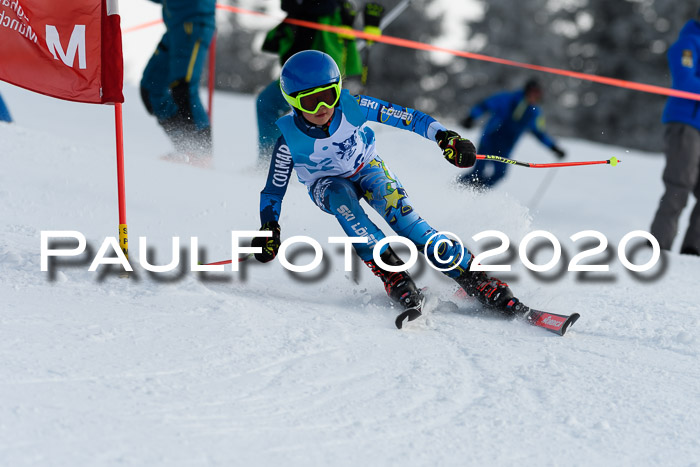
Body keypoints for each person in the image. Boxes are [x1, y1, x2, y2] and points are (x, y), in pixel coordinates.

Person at [251, 50, 529, 319]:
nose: (323, 108)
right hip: (327, 184)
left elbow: (409, 118)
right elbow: (273, 191)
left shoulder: (353, 107)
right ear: (293, 102)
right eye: (311, 102)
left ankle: (474, 277)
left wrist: (446, 138)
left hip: (366, 168)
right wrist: (269, 228)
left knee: (409, 227)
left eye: (328, 96)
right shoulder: (288, 141)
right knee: (342, 199)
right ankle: (392, 273)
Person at [256, 0, 383, 164]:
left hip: (321, 75)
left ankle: (327, 166)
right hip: (301, 72)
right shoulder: (298, 12)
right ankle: (270, 163)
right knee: (268, 104)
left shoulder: (330, 14)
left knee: (319, 118)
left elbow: (338, 51)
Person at [650, 10, 700, 257]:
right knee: (679, 184)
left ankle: (694, 248)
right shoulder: (688, 44)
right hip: (686, 124)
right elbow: (684, 81)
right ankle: (659, 245)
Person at [140, 0, 216, 162]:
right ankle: (186, 148)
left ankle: (201, 155)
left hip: (194, 22)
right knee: (151, 89)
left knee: (183, 87)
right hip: (175, 28)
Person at [459, 79, 566, 188]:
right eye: (533, 93)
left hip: (505, 148)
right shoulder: (508, 99)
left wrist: (554, 147)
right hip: (490, 139)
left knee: (500, 174)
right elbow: (486, 105)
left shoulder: (534, 112)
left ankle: (476, 195)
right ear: (527, 91)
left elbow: (540, 134)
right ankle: (458, 187)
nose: (535, 97)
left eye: (538, 95)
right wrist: (471, 117)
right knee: (478, 171)